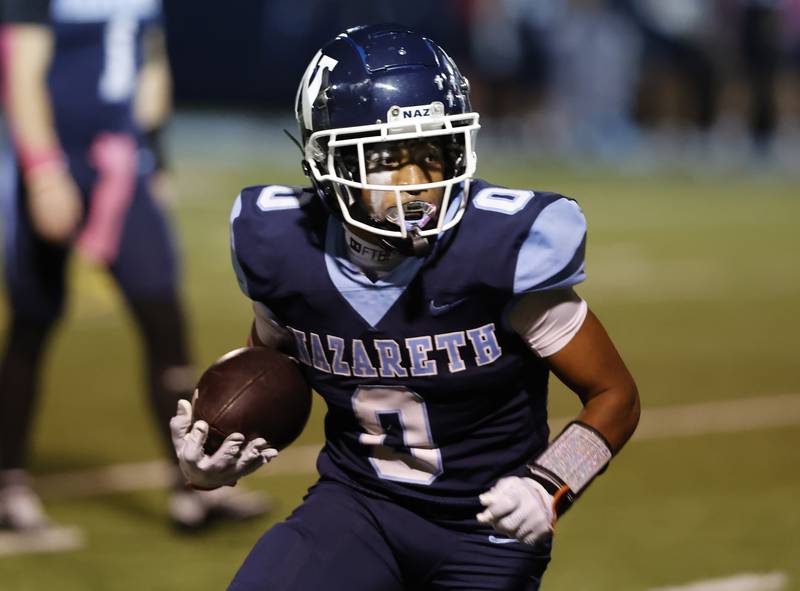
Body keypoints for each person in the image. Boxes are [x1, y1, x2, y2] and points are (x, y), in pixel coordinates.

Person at [170, 23, 640, 590]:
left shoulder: (499, 254)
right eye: (389, 158)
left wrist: (550, 485)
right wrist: (215, 457)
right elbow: (270, 373)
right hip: (357, 508)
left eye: (435, 154)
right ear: (332, 162)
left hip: (487, 529)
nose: (417, 184)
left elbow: (615, 395)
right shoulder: (283, 252)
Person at [0, 0, 268, 532]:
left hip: (122, 168)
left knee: (164, 323)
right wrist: (44, 171)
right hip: (60, 162)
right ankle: (8, 485)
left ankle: (192, 486)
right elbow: (21, 73)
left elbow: (151, 64)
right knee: (33, 324)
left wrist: (155, 154)